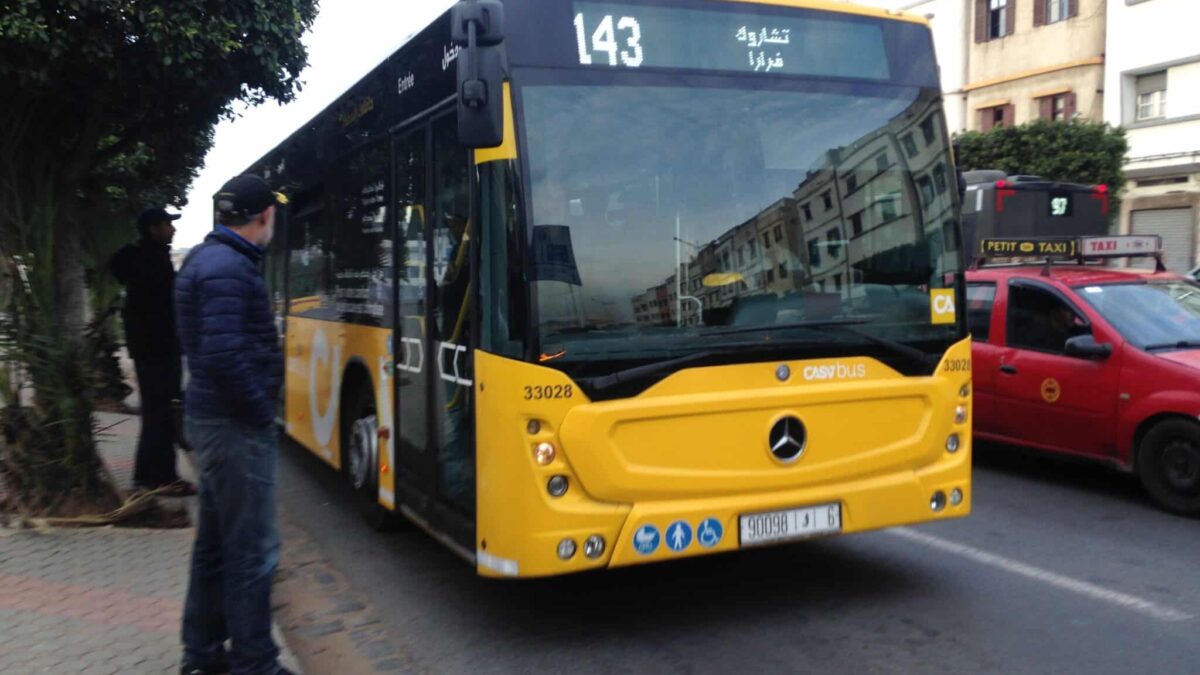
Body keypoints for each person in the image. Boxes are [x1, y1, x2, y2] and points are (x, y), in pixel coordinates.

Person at [174, 175, 290, 675]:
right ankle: (254, 662)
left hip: (213, 420)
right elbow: (223, 356)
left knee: (216, 545)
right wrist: (262, 411)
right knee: (253, 550)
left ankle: (201, 654)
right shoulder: (229, 270)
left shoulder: (208, 259)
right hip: (234, 426)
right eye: (274, 216)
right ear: (264, 216)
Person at [110, 207, 195, 496]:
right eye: (167, 225)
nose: (173, 229)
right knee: (163, 415)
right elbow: (162, 308)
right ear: (153, 229)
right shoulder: (153, 260)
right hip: (158, 350)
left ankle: (146, 475)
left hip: (148, 350)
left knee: (154, 414)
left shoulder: (141, 256)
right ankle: (163, 479)